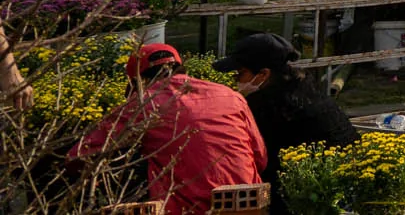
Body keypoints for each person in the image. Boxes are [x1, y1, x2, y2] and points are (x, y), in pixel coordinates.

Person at [70, 43, 267, 215]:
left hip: (190, 209)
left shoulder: (144, 104)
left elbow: (79, 155)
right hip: (247, 203)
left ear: (137, 81)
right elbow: (260, 158)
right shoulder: (230, 95)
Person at [216, 33, 357, 213]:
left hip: (313, 195)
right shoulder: (302, 88)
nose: (235, 80)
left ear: (263, 74)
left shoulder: (270, 106)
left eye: (240, 74)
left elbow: (254, 161)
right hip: (335, 187)